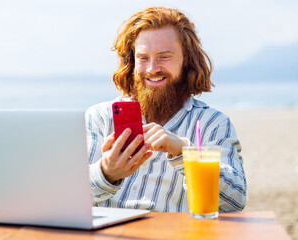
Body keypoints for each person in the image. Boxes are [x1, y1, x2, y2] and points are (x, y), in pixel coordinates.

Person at [85, 6, 246, 212]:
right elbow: (65, 196)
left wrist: (184, 153)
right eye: (143, 58)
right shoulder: (100, 117)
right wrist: (106, 172)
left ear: (186, 59)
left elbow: (235, 201)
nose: (152, 69)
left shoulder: (212, 123)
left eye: (164, 56)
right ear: (132, 61)